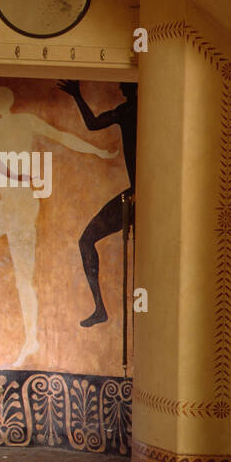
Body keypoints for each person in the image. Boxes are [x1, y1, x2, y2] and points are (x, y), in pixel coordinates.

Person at [0, 85, 118, 366]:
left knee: (23, 278)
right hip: (8, 208)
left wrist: (98, 151)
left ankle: (31, 340)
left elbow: (62, 136)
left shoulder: (25, 122)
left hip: (22, 208)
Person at [57, 80, 138, 326]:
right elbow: (92, 124)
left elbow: (92, 124)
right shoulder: (127, 111)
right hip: (137, 194)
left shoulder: (130, 110)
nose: (121, 89)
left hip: (145, 195)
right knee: (86, 240)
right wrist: (77, 95)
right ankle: (100, 309)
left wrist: (77, 95)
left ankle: (101, 309)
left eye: (125, 87)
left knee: (86, 240)